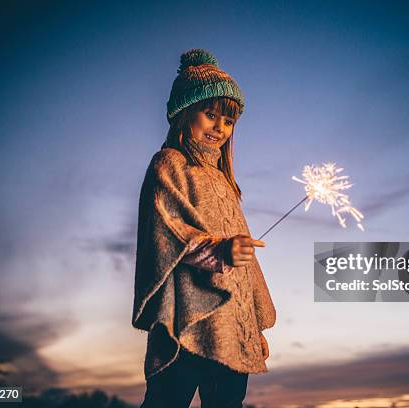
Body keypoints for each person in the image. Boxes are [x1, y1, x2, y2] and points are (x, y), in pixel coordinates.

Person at [132, 49, 277, 408]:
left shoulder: (226, 183)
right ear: (184, 113)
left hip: (232, 328)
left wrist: (254, 326)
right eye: (210, 115)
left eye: (228, 122)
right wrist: (220, 249)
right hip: (187, 322)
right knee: (166, 401)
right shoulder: (169, 164)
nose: (220, 128)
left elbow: (246, 265)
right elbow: (167, 229)